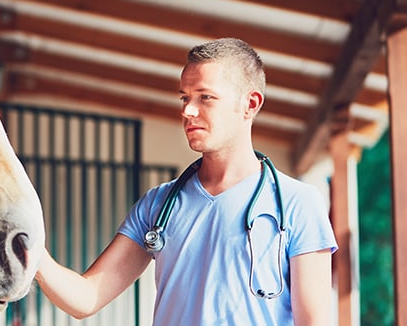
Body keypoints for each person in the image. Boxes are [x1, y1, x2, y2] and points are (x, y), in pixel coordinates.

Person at [35, 38, 338, 325]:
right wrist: (30, 249)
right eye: (185, 97)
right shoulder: (158, 205)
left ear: (251, 104)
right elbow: (86, 298)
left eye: (205, 97)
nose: (187, 111)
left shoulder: (297, 203)